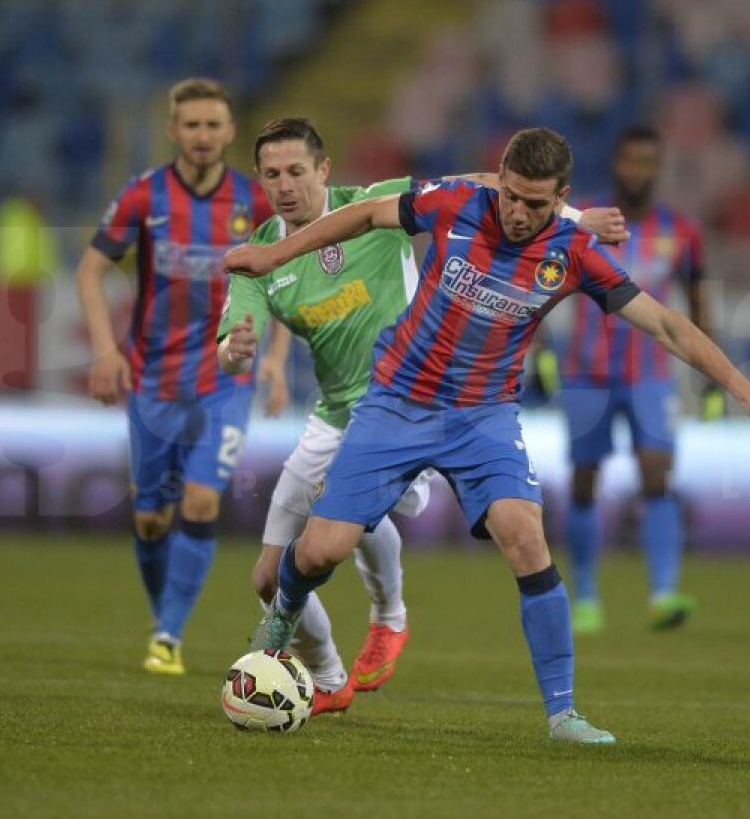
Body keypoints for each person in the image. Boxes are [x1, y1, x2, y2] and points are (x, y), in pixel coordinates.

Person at [224, 127, 750, 744]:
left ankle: (563, 714)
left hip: (482, 417)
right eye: (511, 196)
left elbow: (666, 325)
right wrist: (274, 256)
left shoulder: (574, 252)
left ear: (560, 199)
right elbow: (363, 215)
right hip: (396, 403)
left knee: (525, 537)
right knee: (319, 553)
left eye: (535, 204)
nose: (517, 213)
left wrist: (745, 389)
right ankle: (284, 614)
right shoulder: (455, 205)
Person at [217, 117, 629, 715]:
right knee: (268, 576)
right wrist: (235, 350)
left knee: (354, 514)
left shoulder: (372, 204)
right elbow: (233, 336)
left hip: (414, 400)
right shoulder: (262, 258)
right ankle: (329, 678)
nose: (285, 185)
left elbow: (488, 183)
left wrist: (573, 217)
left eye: (296, 171)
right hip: (334, 415)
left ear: (323, 170)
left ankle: (389, 616)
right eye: (272, 174)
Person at [75, 77, 282, 676]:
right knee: (149, 516)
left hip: (225, 377)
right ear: (172, 131)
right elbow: (90, 271)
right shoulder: (144, 195)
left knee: (200, 497)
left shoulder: (253, 202)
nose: (202, 135)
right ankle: (162, 614)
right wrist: (104, 352)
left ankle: (168, 635)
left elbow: (288, 277)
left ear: (230, 132)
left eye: (213, 124)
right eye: (191, 125)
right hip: (153, 379)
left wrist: (273, 359)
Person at [555, 125, 722, 635]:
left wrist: (711, 373)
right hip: (586, 373)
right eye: (630, 160)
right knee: (585, 481)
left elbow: (697, 301)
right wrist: (535, 347)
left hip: (650, 375)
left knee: (657, 474)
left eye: (647, 161)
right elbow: (542, 278)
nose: (637, 171)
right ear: (616, 164)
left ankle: (663, 593)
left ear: (658, 167)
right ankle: (586, 596)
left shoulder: (682, 231)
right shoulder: (585, 219)